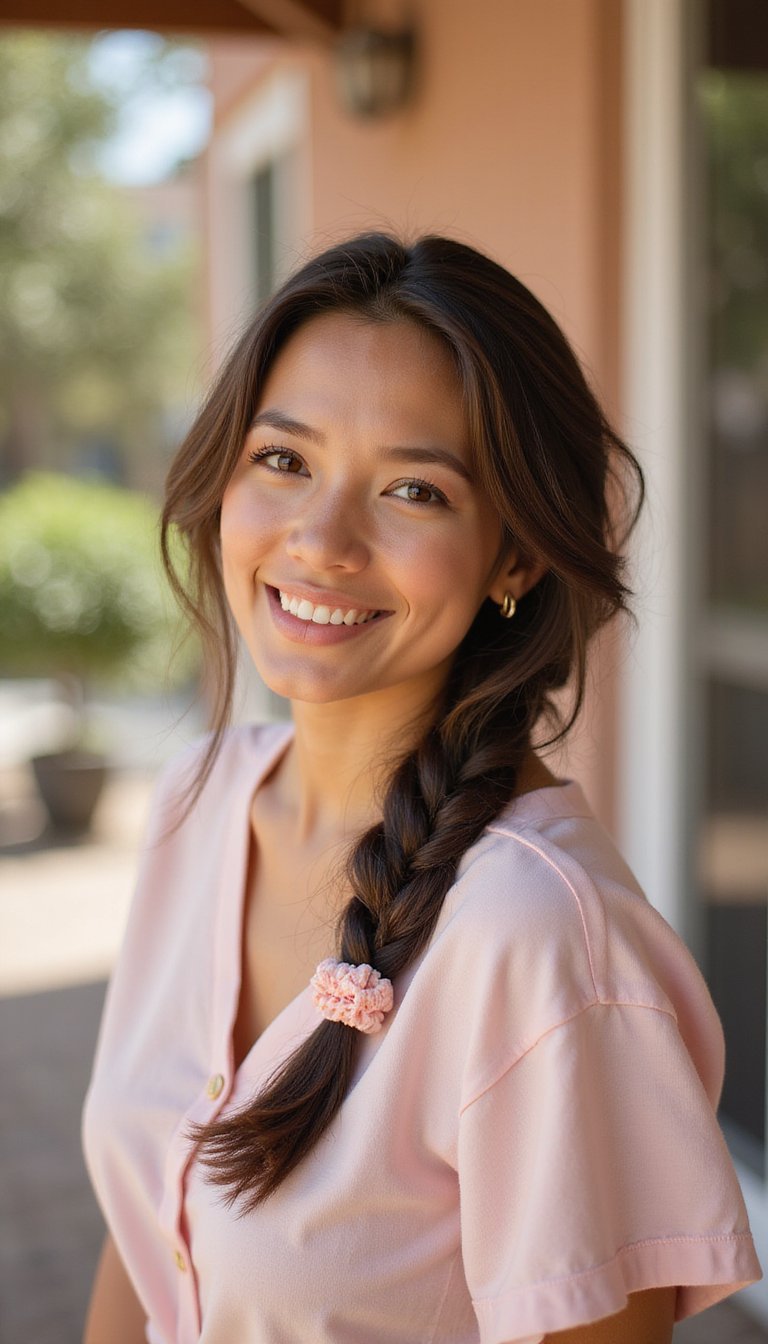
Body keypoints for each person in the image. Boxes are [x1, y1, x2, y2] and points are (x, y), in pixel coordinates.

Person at [81, 232, 761, 1344]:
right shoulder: (195, 802)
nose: (321, 540)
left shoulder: (542, 942)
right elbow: (150, 1232)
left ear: (515, 557)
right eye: (283, 459)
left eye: (413, 489)